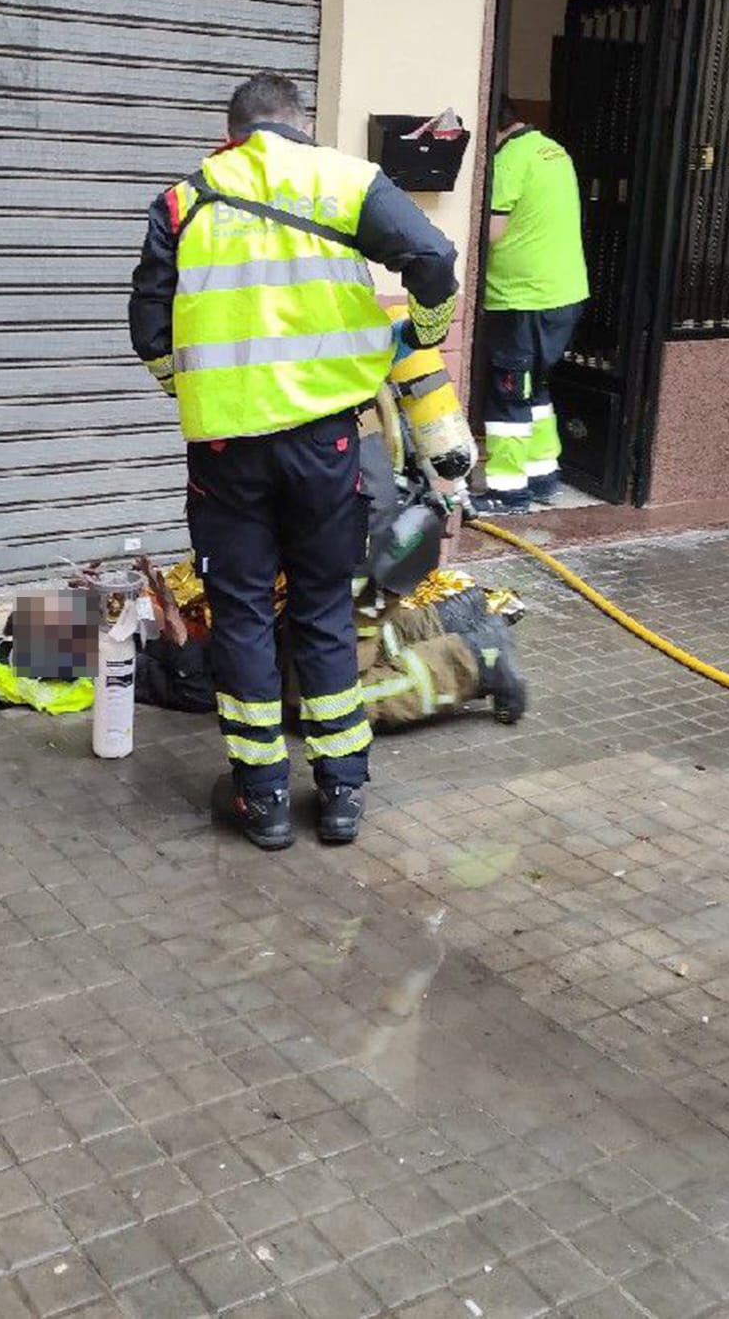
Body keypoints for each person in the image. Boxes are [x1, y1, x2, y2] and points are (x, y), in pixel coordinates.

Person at [129, 72, 459, 852]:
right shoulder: (346, 181)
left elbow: (148, 327)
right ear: (300, 124)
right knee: (324, 610)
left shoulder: (185, 202)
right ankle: (342, 796)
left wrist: (196, 390)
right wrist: (425, 331)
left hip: (226, 453)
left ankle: (264, 801)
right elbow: (434, 258)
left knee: (242, 615)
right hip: (327, 446)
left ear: (233, 131)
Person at [351, 352, 529, 731]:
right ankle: (454, 616)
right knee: (339, 638)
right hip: (376, 548)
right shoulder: (344, 353)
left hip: (358, 552)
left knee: (325, 701)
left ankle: (477, 660)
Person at [471, 98, 590, 516]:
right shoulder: (554, 151)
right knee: (535, 385)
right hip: (564, 292)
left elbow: (493, 232)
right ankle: (543, 474)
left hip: (522, 297)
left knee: (509, 393)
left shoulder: (510, 159)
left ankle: (508, 490)